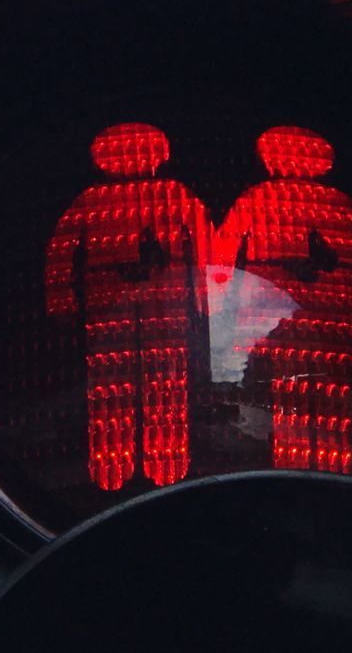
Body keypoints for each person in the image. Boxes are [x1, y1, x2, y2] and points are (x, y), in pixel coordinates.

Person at [217, 126, 352, 478]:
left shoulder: (258, 201)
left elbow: (221, 261)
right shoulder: (337, 204)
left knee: (300, 396)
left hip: (280, 324)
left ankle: (306, 467)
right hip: (315, 326)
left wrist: (219, 316)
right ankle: (318, 469)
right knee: (320, 396)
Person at [44, 123, 210, 491]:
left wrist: (206, 297)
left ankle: (164, 469)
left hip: (160, 304)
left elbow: (203, 243)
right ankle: (120, 473)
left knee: (162, 384)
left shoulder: (174, 194)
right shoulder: (93, 200)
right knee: (114, 387)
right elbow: (63, 249)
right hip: (114, 308)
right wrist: (62, 299)